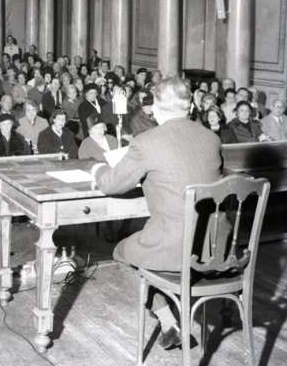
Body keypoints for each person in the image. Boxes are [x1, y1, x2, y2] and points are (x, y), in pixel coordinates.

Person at [92, 76, 229, 350]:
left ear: (154, 109)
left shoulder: (146, 142)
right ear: (191, 107)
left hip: (175, 250)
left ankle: (168, 321)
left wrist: (98, 169)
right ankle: (176, 304)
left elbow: (111, 184)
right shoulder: (211, 138)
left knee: (121, 253)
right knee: (150, 248)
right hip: (216, 248)